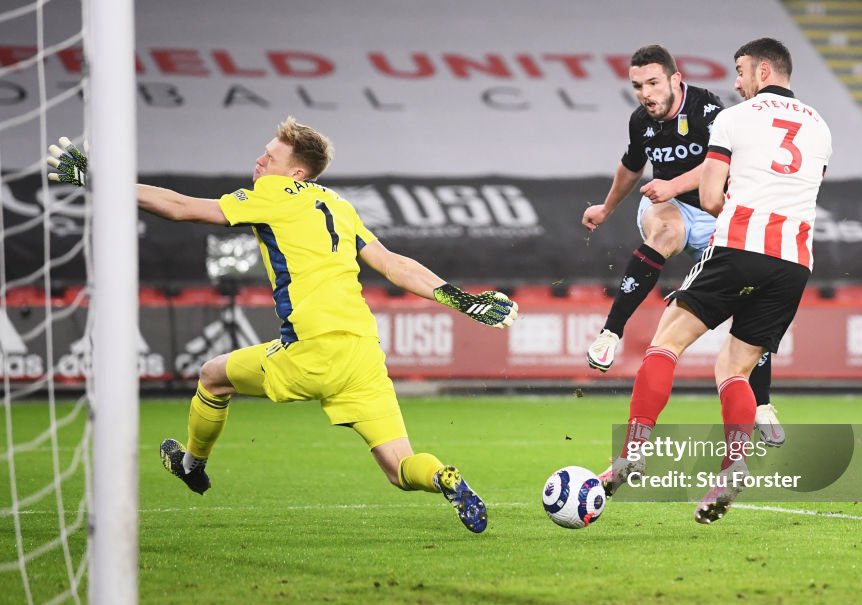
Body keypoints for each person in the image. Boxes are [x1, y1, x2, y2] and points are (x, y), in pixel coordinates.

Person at [47, 118, 518, 534]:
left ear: (295, 172)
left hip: (311, 351)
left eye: (269, 157)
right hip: (363, 354)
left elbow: (180, 206)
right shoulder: (337, 204)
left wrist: (98, 178)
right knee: (400, 468)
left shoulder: (271, 195)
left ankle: (192, 466)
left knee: (212, 375)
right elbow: (393, 264)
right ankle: (444, 478)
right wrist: (457, 297)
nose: (259, 161)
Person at [599, 38, 831, 524]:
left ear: (764, 70)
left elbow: (709, 196)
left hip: (740, 246)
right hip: (794, 261)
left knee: (666, 343)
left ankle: (633, 451)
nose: (736, 81)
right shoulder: (820, 125)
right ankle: (734, 465)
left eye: (741, 71)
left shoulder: (733, 117)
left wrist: (733, 213)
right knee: (734, 370)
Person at [581, 44, 785, 446]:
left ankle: (761, 403)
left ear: (676, 79)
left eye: (653, 83)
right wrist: (606, 208)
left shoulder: (708, 110)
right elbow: (631, 166)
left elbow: (717, 165)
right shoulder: (640, 121)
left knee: (747, 300)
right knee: (666, 233)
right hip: (669, 207)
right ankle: (610, 333)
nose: (645, 93)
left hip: (714, 211)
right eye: (638, 85)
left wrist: (673, 183)